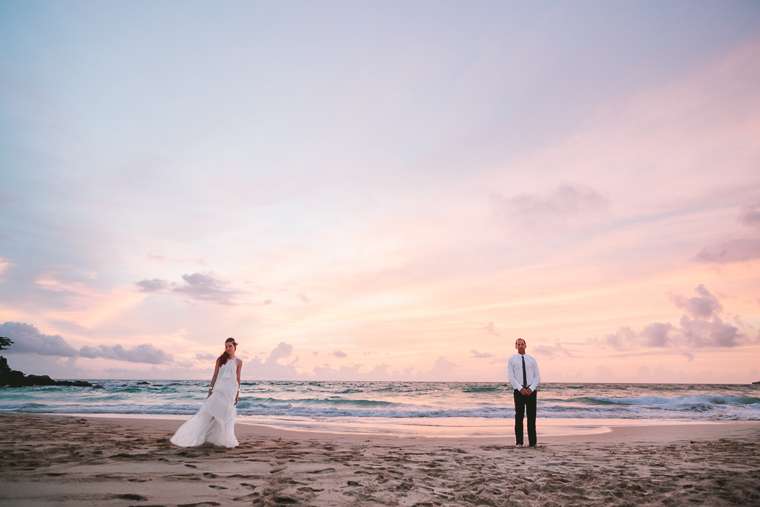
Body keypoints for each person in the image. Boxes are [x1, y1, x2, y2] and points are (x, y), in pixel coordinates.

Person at [171, 337, 243, 448]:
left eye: (230, 346)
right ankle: (201, 438)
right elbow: (215, 375)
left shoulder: (239, 362)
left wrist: (237, 393)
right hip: (219, 390)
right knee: (210, 414)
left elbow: (238, 379)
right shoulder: (220, 359)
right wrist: (210, 390)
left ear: (235, 347)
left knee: (225, 417)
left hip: (230, 392)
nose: (228, 348)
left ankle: (220, 441)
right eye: (226, 346)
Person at [508, 338, 540, 447]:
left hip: (531, 391)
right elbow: (511, 377)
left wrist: (531, 388)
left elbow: (537, 376)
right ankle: (519, 442)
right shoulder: (512, 360)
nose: (520, 346)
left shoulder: (532, 360)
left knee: (531, 417)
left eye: (522, 344)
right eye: (518, 344)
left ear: (525, 346)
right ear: (515, 346)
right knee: (519, 417)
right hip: (519, 391)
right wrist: (520, 388)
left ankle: (533, 443)